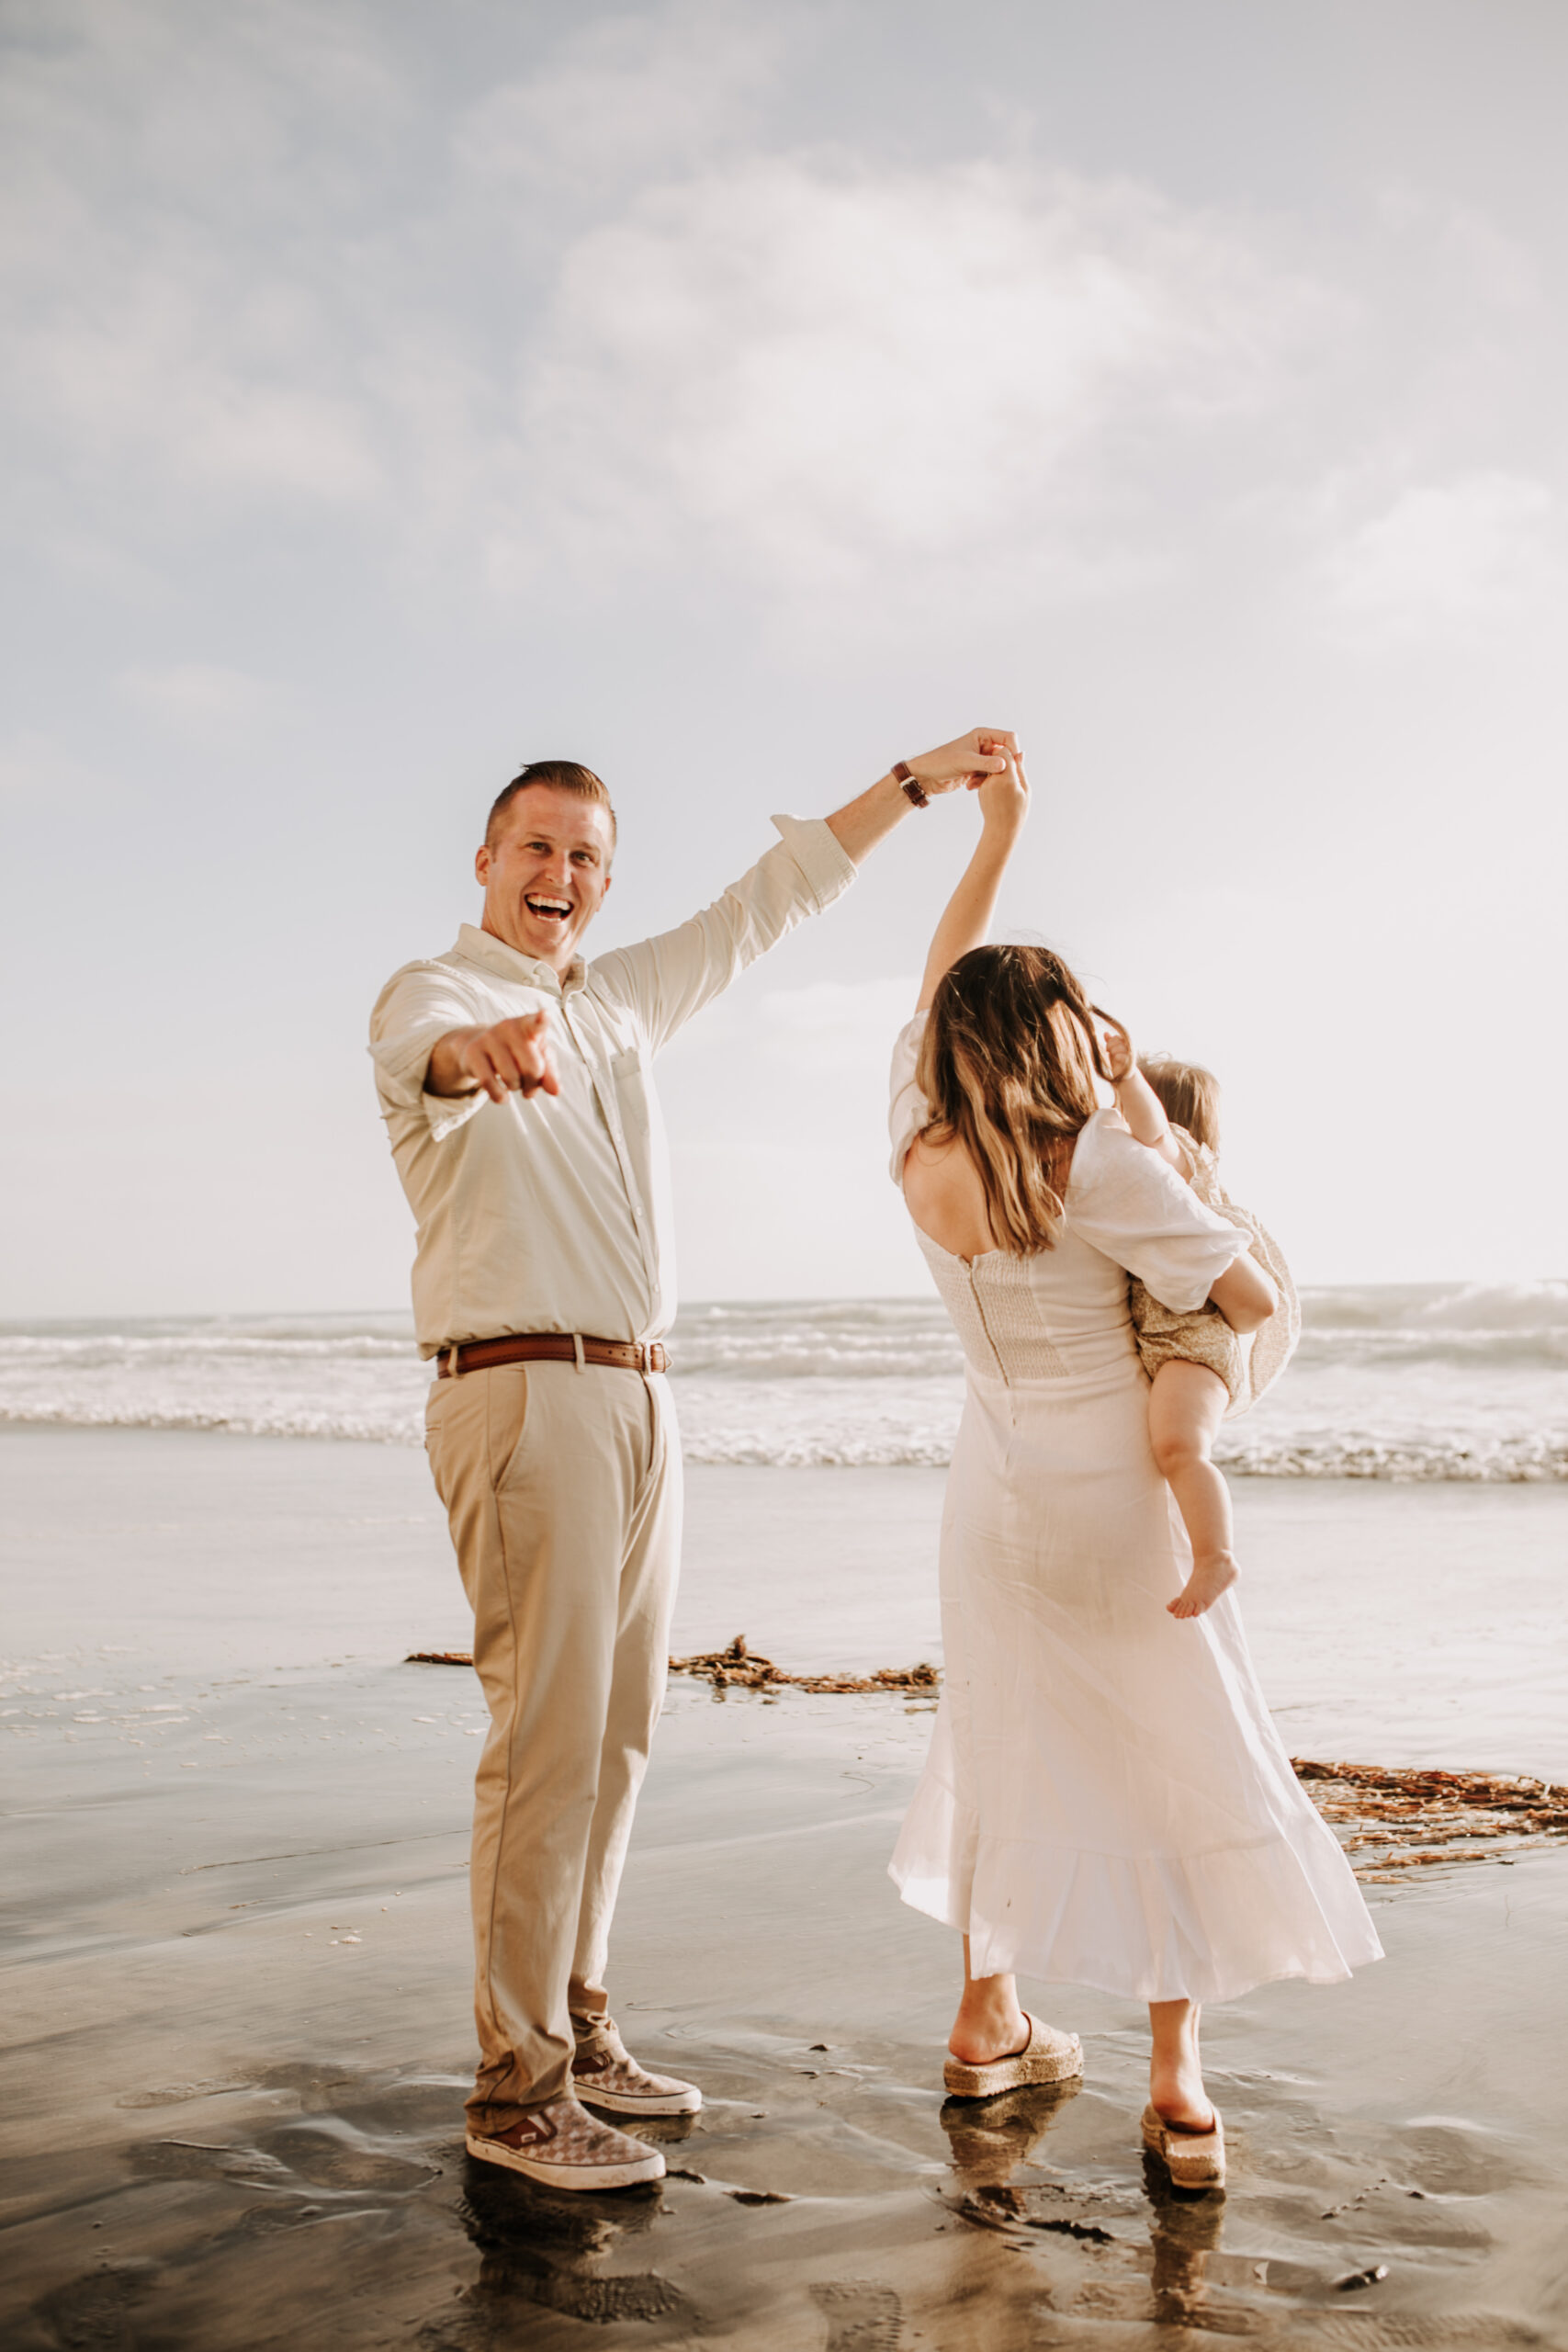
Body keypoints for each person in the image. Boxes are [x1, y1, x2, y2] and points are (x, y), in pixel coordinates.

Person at [368, 730, 1016, 2192]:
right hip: (522, 1391)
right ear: (485, 859)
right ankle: (513, 2085)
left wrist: (915, 789)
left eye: (586, 855)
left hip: (644, 1399)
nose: (561, 875)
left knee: (616, 1742)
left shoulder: (617, 1004)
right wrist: (488, 1052)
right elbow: (437, 1059)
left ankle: (581, 2033)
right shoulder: (439, 994)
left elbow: (767, 901)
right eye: (536, 847)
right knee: (542, 1745)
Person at [886, 755, 1382, 2193]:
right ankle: (1174, 2091)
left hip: (990, 1497)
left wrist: (996, 838)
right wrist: (1169, 1151)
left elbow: (931, 988)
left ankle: (986, 2023)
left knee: (998, 1738)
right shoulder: (1095, 1161)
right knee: (1170, 1766)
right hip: (1117, 1500)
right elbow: (1243, 1304)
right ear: (1057, 1041)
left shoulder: (914, 1144)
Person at [1100, 1035, 1301, 1620]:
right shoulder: (1156, 1183)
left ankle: (1216, 1556)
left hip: (1195, 1342)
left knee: (1180, 1447)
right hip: (1171, 1339)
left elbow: (1153, 1133)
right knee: (1169, 1448)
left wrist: (1126, 1077)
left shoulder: (1176, 1163)